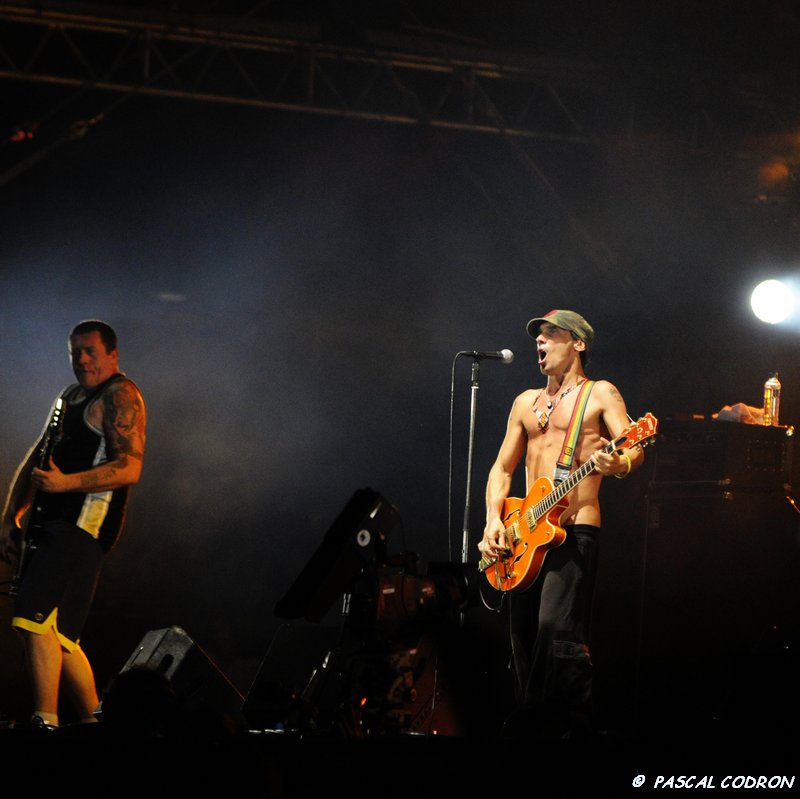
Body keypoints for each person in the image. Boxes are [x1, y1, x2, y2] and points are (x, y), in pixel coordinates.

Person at [479, 309, 643, 740]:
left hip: (574, 530)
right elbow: (501, 470)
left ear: (578, 344)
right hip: (522, 537)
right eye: (539, 337)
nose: (540, 342)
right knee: (523, 638)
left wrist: (618, 463)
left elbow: (633, 446)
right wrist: (493, 522)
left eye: (551, 335)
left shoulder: (600, 393)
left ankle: (563, 734)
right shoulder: (523, 403)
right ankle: (532, 731)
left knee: (558, 636)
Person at [0, 319, 146, 731]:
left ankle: (44, 720)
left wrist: (66, 485)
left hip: (83, 526)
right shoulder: (69, 396)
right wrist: (10, 516)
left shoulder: (121, 394)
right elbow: (37, 457)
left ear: (113, 354)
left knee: (32, 617)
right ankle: (95, 720)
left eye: (90, 351)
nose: (81, 359)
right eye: (75, 352)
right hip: (53, 525)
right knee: (62, 638)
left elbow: (130, 466)